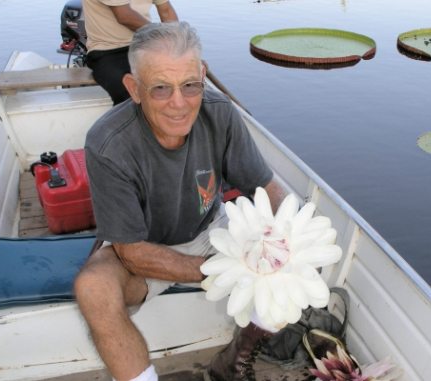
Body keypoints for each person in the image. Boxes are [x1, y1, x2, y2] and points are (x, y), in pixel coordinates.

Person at [74, 21, 287, 381]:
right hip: (143, 247)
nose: (179, 103)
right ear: (134, 88)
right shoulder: (107, 143)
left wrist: (281, 242)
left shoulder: (220, 113)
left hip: (210, 230)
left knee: (294, 253)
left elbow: (269, 189)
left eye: (190, 85)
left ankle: (238, 355)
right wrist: (225, 270)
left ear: (202, 75)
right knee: (92, 288)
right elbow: (131, 252)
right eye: (160, 88)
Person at [83, 0, 178, 105]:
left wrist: (178, 45)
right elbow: (124, 16)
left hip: (145, 44)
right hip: (108, 50)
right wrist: (160, 36)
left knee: (182, 82)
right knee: (131, 92)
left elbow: (166, 11)